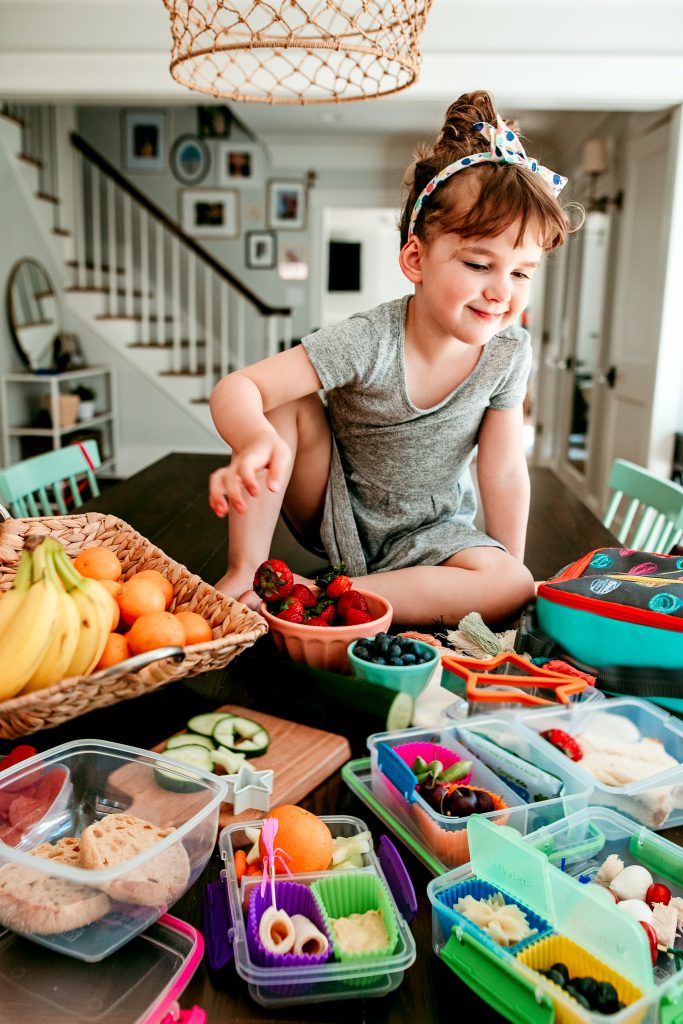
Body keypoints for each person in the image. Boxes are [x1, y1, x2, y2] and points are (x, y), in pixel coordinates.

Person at [208, 90, 576, 627]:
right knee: (280, 402)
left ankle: (327, 595)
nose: (502, 290)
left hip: (435, 534)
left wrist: (505, 575)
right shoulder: (367, 339)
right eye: (479, 263)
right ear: (415, 258)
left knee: (513, 582)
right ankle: (246, 573)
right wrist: (253, 440)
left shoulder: (508, 352)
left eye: (521, 272)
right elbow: (236, 389)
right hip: (336, 511)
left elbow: (502, 471)